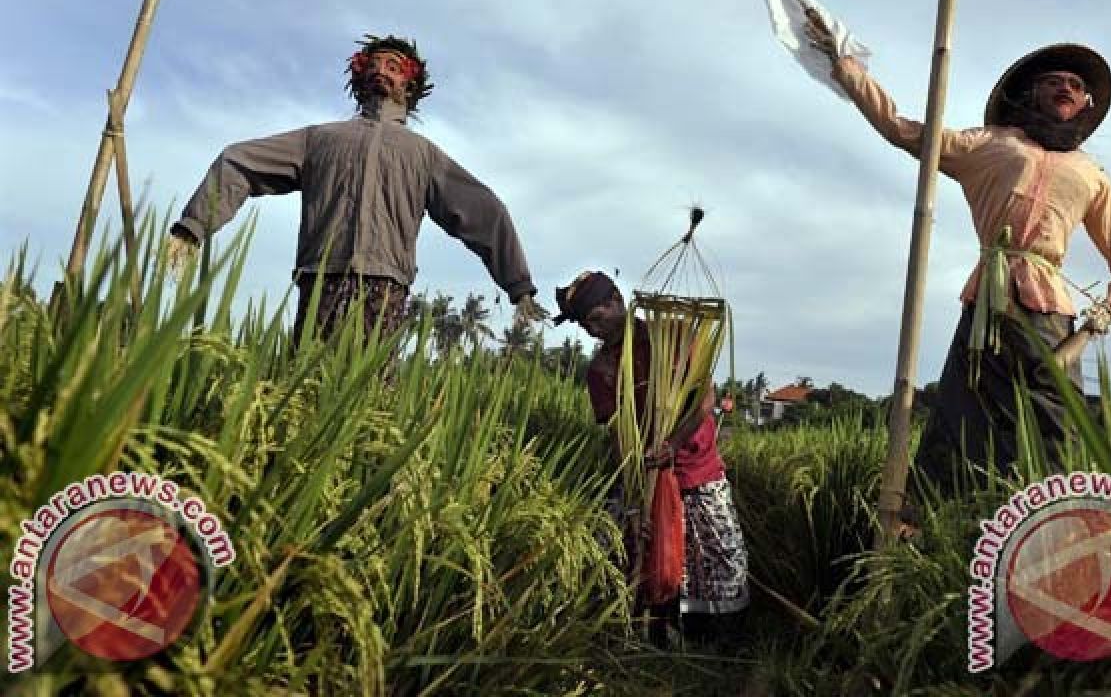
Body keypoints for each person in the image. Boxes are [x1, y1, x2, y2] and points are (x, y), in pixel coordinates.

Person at [805, 12, 1111, 494]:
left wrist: (1103, 315)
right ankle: (923, 538)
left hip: (1051, 319)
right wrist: (843, 65)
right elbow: (901, 129)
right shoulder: (988, 144)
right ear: (1030, 93)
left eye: (1075, 85)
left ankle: (1049, 536)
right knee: (957, 424)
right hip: (986, 308)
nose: (1065, 87)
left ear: (1085, 106)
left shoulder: (1091, 175)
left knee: (1056, 429)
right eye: (1053, 80)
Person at [167, 34, 547, 343]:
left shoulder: (424, 156)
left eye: (394, 66)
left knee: (370, 400)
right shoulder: (320, 140)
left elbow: (485, 210)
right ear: (359, 74)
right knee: (305, 387)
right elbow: (239, 161)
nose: (383, 70)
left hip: (386, 290)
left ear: (408, 83)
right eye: (375, 64)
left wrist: (518, 287)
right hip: (321, 281)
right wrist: (192, 228)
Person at [554, 271, 749, 636]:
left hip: (695, 467)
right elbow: (616, 433)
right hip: (642, 473)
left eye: (596, 319)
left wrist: (672, 444)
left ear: (616, 301)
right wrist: (632, 485)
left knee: (720, 558)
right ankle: (635, 630)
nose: (592, 330)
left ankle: (716, 642)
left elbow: (705, 400)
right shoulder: (602, 370)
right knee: (619, 546)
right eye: (585, 326)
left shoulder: (670, 335)